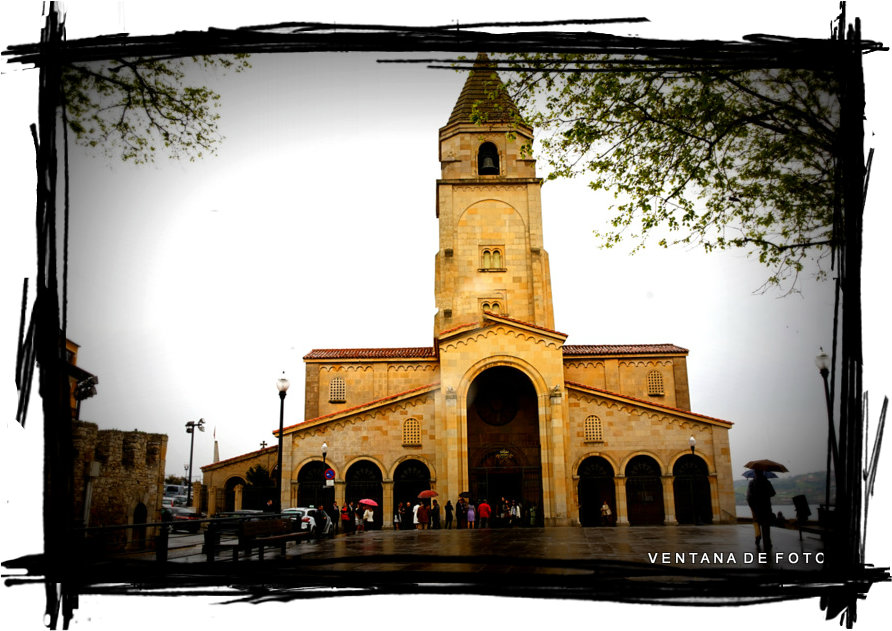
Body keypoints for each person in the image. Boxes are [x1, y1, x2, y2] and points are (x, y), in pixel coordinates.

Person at [747, 469, 776, 550]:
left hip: (756, 508)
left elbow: (749, 497)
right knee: (766, 526)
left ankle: (757, 538)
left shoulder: (752, 483)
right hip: (766, 507)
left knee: (757, 524)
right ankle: (767, 543)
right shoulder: (767, 482)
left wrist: (752, 507)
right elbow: (773, 493)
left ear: (755, 473)